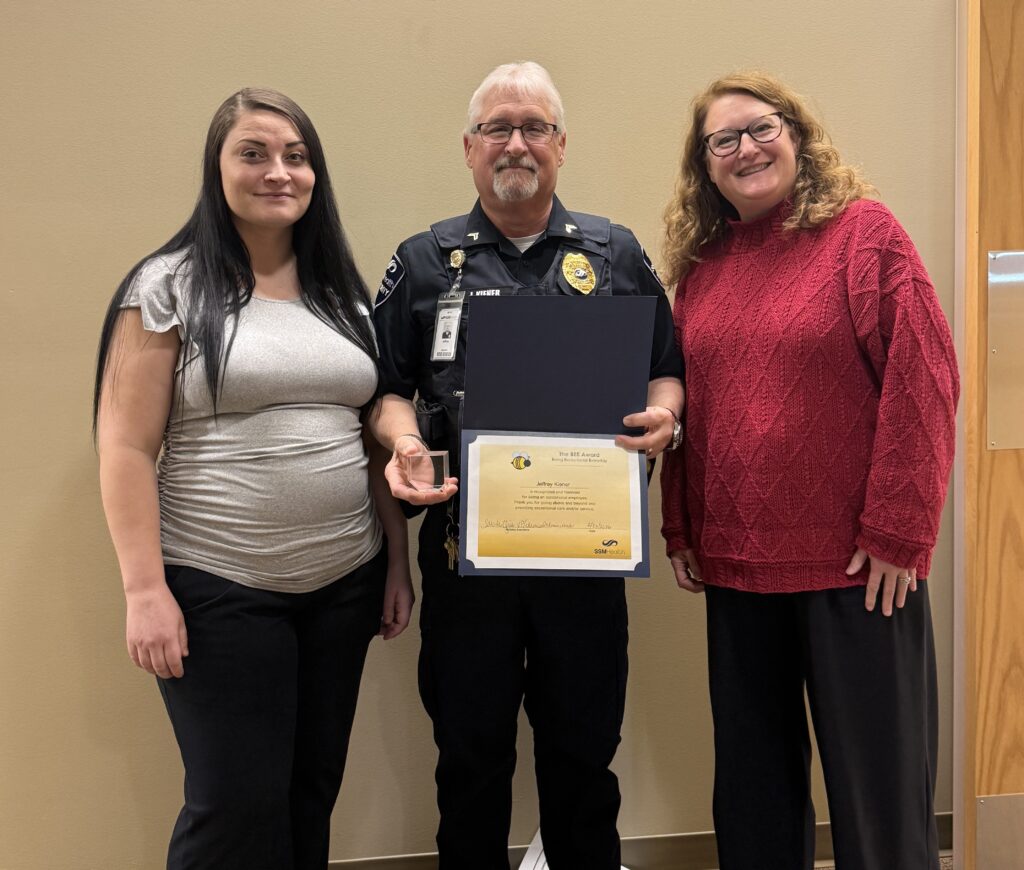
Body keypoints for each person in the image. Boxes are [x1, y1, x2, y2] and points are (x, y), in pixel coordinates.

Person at [370, 62, 684, 869]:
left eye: (534, 127)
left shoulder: (613, 253)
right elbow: (386, 390)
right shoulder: (425, 260)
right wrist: (402, 441)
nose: (517, 143)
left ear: (561, 145)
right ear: (469, 147)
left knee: (584, 761)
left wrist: (666, 416)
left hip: (584, 561)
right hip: (464, 563)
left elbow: (666, 369)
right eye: (499, 128)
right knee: (468, 760)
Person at [94, 87, 412, 870]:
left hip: (343, 585)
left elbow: (365, 435)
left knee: (310, 792)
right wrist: (144, 591)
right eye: (254, 153)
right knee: (234, 807)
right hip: (218, 587)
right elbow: (125, 447)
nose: (279, 172)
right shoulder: (166, 287)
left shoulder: (340, 292)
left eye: (296, 157)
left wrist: (396, 563)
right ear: (218, 168)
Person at [659, 72, 959, 870]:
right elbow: (688, 403)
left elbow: (924, 379)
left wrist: (899, 532)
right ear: (705, 164)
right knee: (752, 793)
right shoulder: (702, 267)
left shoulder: (866, 236)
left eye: (763, 128)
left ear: (796, 134)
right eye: (724, 140)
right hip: (737, 566)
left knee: (880, 797)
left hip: (859, 569)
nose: (747, 149)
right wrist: (681, 524)